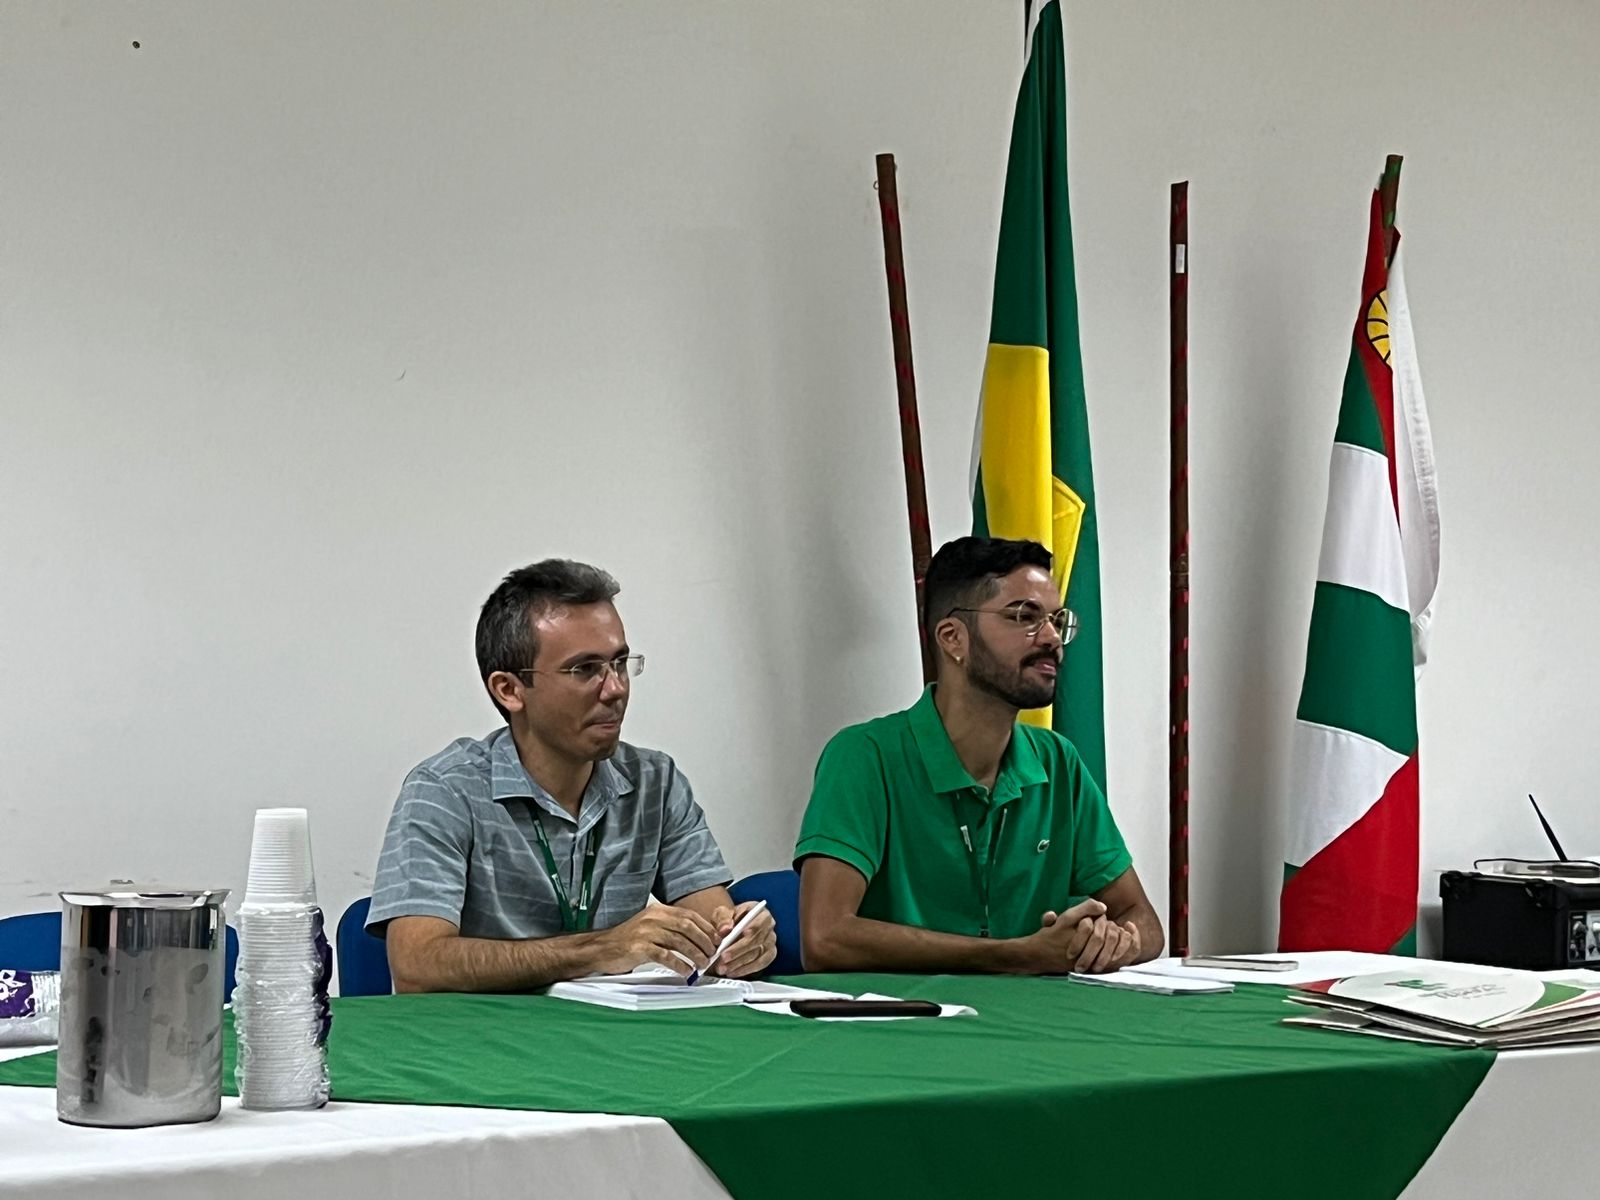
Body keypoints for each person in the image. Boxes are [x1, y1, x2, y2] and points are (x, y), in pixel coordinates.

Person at [367, 559, 776, 992]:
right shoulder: (445, 790)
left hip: (616, 1027)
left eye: (620, 663)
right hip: (485, 1030)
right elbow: (417, 964)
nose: (616, 688)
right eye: (585, 670)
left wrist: (737, 942)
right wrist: (599, 949)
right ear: (509, 690)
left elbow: (712, 928)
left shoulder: (656, 782)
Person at [794, 536, 1163, 975]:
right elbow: (824, 938)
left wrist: (1115, 941)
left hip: (1030, 1013)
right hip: (901, 1013)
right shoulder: (864, 756)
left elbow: (1145, 922)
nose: (1051, 638)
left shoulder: (1057, 761)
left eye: (1056, 620)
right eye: (1024, 616)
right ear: (953, 638)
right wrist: (1015, 954)